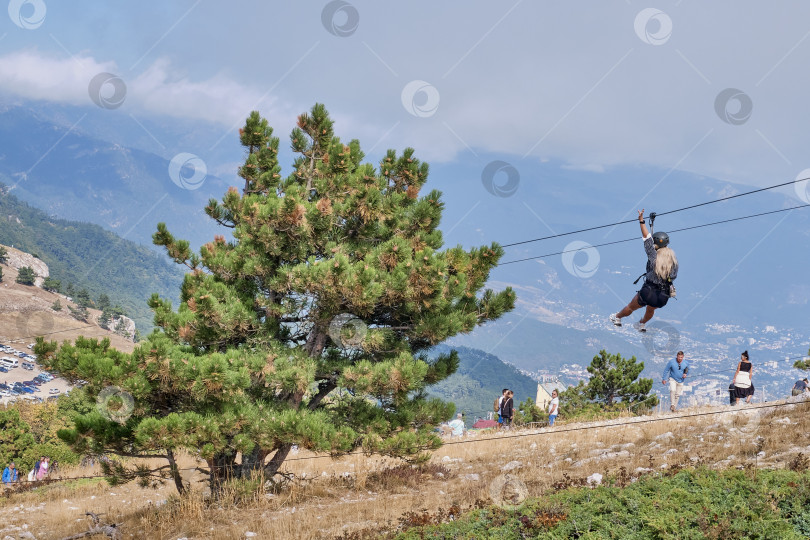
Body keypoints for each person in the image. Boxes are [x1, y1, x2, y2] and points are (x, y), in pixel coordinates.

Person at [610, 209, 678, 332]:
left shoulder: (654, 256)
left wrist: (641, 221)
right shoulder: (673, 261)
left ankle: (617, 317)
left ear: (656, 244)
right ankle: (642, 324)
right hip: (662, 296)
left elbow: (647, 238)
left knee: (631, 307)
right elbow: (673, 277)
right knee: (651, 309)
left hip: (649, 291)